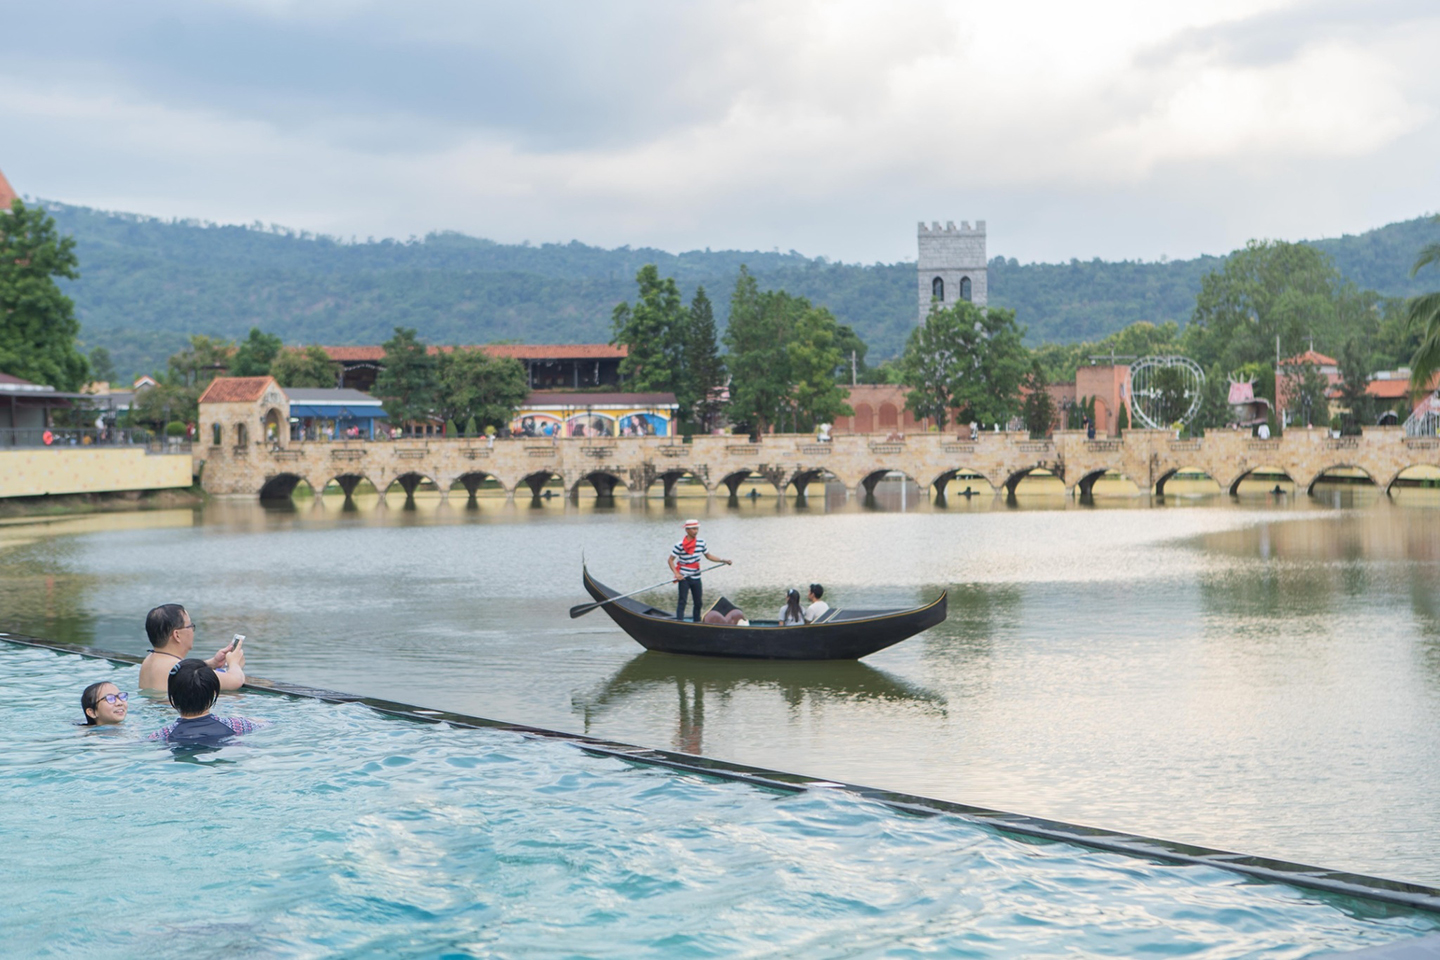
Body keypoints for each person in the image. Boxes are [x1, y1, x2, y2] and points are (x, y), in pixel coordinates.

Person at [149, 660, 266, 745]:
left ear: (172, 697)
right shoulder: (239, 725)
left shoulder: (162, 735)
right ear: (214, 694)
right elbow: (268, 724)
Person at [138, 604, 245, 693]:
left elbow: (186, 671)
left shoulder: (148, 661)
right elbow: (236, 681)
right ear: (177, 635)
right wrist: (234, 663)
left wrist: (212, 663)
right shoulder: (181, 670)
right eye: (190, 626)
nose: (192, 631)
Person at [668, 519, 732, 622]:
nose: (696, 531)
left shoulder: (701, 543)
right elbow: (670, 560)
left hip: (696, 577)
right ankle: (679, 622)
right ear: (687, 530)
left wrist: (723, 560)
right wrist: (677, 573)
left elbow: (709, 556)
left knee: (698, 602)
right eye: (693, 529)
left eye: (697, 528)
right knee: (682, 601)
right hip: (684, 577)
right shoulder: (679, 545)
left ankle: (696, 622)